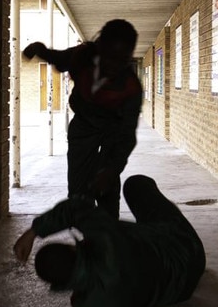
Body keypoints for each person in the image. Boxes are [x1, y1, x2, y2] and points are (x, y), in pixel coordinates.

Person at [13, 174, 206, 307]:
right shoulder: (105, 238)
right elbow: (77, 208)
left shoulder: (88, 306)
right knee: (137, 184)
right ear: (73, 248)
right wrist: (33, 232)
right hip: (185, 248)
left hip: (182, 290)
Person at [22, 19, 143, 219]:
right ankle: (81, 232)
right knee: (78, 192)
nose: (113, 66)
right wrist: (39, 49)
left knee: (107, 190)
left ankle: (107, 234)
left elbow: (127, 136)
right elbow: (59, 59)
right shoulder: (82, 56)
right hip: (84, 126)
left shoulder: (130, 87)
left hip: (112, 130)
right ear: (100, 46)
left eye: (120, 60)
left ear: (128, 57)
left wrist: (111, 170)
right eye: (110, 57)